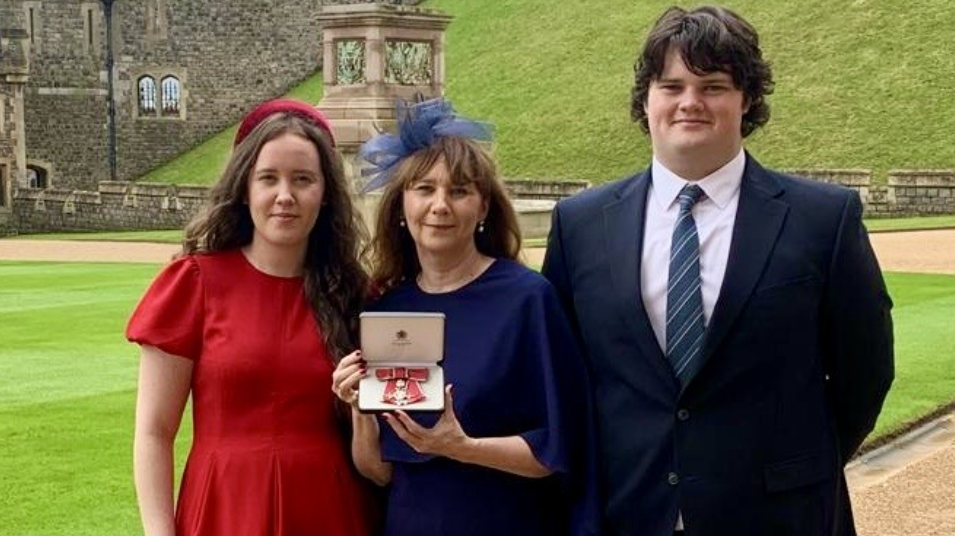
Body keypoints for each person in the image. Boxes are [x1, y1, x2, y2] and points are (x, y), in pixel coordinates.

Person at [542, 6, 894, 536]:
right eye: (672, 85)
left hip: (778, 514)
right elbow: (563, 376)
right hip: (628, 509)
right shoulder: (581, 224)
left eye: (712, 86)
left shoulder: (823, 218)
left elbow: (865, 371)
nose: (689, 103)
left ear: (746, 98)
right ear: (646, 98)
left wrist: (799, 466)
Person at [331, 99, 598, 536]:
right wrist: (359, 406)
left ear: (484, 208)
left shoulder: (527, 301)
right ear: (401, 206)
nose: (440, 205)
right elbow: (380, 470)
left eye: (459, 191)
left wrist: (464, 448)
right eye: (424, 189)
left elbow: (560, 449)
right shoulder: (386, 310)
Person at [127, 99, 375, 536]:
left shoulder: (352, 294)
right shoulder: (193, 283)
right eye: (269, 178)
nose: (285, 196)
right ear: (246, 188)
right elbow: (154, 432)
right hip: (223, 505)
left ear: (325, 193)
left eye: (303, 179)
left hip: (329, 508)